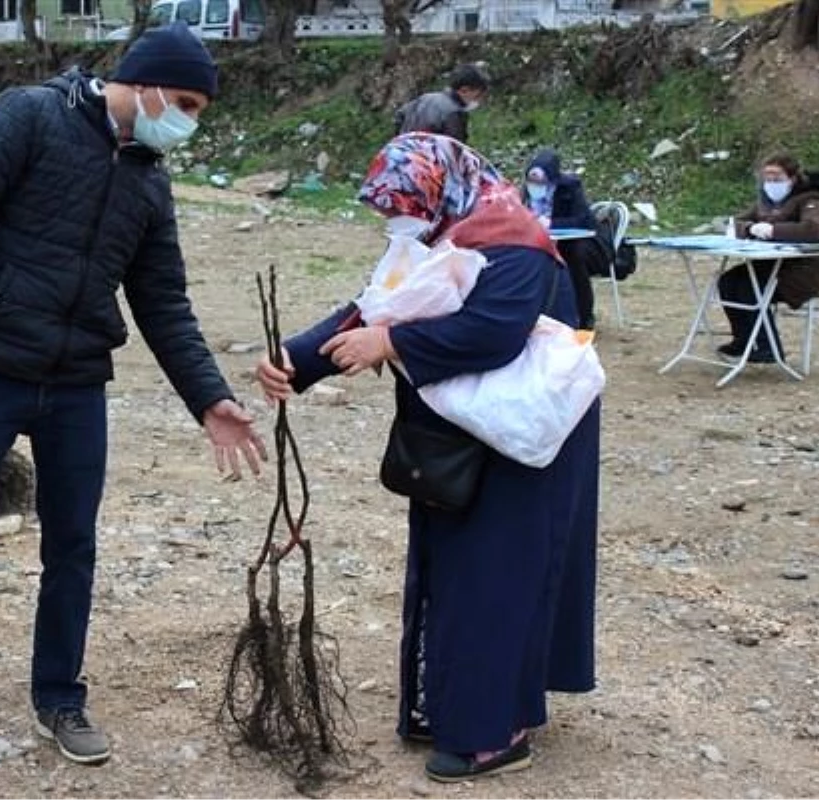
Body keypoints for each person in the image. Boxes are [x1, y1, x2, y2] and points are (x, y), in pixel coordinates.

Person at [0, 22, 266, 766]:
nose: (187, 121)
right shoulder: (29, 117)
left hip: (75, 387)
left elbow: (164, 304)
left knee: (73, 547)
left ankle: (60, 697)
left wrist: (209, 399)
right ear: (145, 80)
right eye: (185, 102)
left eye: (198, 111)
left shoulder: (149, 179)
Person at [257, 134, 600, 783]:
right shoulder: (436, 234)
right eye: (388, 210)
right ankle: (453, 707)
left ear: (442, 186)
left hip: (520, 441)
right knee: (454, 574)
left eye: (404, 205)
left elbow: (493, 332)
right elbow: (369, 307)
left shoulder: (514, 240)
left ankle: (497, 732)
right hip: (460, 438)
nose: (396, 222)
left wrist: (390, 343)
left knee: (497, 578)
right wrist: (293, 362)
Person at [718, 153, 819, 362]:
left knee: (751, 288)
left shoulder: (810, 200)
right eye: (766, 177)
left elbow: (813, 229)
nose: (771, 183)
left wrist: (773, 230)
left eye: (776, 177)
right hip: (773, 264)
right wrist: (750, 228)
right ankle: (743, 340)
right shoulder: (764, 202)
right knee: (728, 281)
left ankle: (768, 348)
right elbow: (735, 222)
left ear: (792, 178)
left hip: (805, 270)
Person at [522, 148, 600, 330]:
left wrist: (551, 223)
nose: (536, 185)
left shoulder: (569, 188)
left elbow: (585, 220)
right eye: (532, 181)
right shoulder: (525, 192)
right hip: (539, 240)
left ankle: (583, 315)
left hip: (573, 242)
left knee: (573, 257)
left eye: (540, 181)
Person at [393, 63, 490, 142]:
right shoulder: (454, 113)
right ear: (464, 90)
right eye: (477, 96)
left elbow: (399, 116)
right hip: (430, 162)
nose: (478, 100)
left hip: (404, 157)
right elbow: (455, 149)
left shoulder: (425, 98)